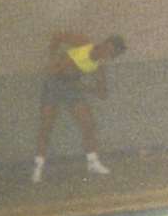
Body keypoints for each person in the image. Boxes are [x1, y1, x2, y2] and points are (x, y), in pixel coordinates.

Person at [31, 32, 126, 182]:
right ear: (105, 44)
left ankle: (93, 162)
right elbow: (58, 36)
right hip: (53, 83)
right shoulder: (84, 43)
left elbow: (102, 93)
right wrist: (52, 59)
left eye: (111, 55)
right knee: (46, 126)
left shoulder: (98, 67)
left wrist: (86, 87)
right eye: (108, 50)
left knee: (88, 124)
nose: (106, 55)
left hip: (71, 87)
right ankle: (38, 167)